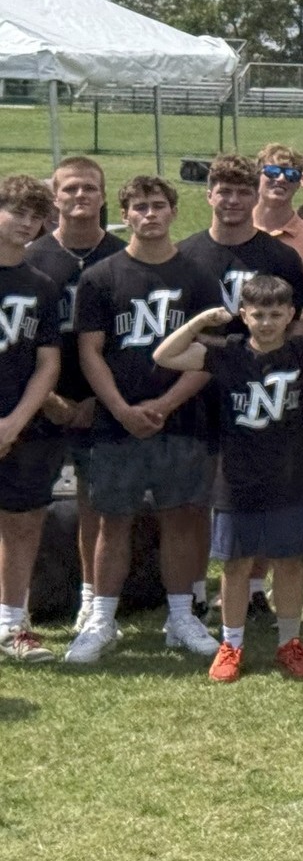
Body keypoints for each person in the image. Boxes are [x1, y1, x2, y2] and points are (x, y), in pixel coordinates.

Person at [152, 277, 303, 681]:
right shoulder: (227, 353)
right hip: (237, 479)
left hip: (292, 477)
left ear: (290, 314)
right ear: (244, 315)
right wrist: (200, 322)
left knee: (289, 564)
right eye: (258, 315)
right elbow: (165, 355)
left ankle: (290, 643)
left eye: (276, 314)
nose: (267, 323)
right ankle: (231, 644)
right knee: (236, 565)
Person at [67, 175, 222, 663]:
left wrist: (166, 404)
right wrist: (119, 408)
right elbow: (90, 352)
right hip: (117, 421)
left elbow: (211, 353)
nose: (149, 214)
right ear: (124, 215)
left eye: (158, 205)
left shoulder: (198, 276)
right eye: (139, 207)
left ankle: (181, 617)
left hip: (181, 418)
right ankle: (102, 619)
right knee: (114, 521)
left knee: (181, 517)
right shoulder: (101, 276)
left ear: (174, 211)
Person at [24, 157, 124, 634]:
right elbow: (17, 345)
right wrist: (49, 400)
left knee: (97, 506)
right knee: (22, 506)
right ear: (54, 198)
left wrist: (103, 400)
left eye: (89, 188)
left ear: (103, 196)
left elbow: (130, 346)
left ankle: (90, 597)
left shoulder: (124, 256)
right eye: (70, 189)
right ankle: (15, 603)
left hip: (104, 401)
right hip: (38, 401)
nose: (80, 196)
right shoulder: (30, 257)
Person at [0, 175, 65, 662]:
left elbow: (48, 363)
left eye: (36, 216)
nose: (27, 223)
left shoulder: (41, 285)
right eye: (17, 212)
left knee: (22, 524)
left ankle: (11, 624)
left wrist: (14, 422)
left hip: (24, 424)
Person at [177, 153, 303, 317]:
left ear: (256, 198)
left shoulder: (283, 258)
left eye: (244, 193)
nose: (233, 200)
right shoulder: (182, 256)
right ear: (209, 196)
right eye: (225, 192)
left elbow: (296, 321)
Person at [249, 143, 303, 280]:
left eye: (291, 174)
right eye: (273, 171)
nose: (281, 179)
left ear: (299, 183)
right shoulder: (236, 229)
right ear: (257, 176)